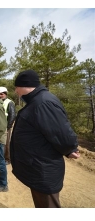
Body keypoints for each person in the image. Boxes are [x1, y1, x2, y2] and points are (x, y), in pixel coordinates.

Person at [10, 69, 80, 208]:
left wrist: (69, 148)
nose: (16, 91)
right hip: (38, 166)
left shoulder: (42, 103)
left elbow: (60, 133)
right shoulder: (38, 100)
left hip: (43, 169)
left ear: (24, 86)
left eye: (16, 87)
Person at [0, 86, 16, 165]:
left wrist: (8, 127)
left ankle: (7, 159)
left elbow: (12, 115)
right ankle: (0, 156)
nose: (0, 96)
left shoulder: (9, 102)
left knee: (6, 142)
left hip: (6, 126)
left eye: (2, 94)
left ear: (6, 94)